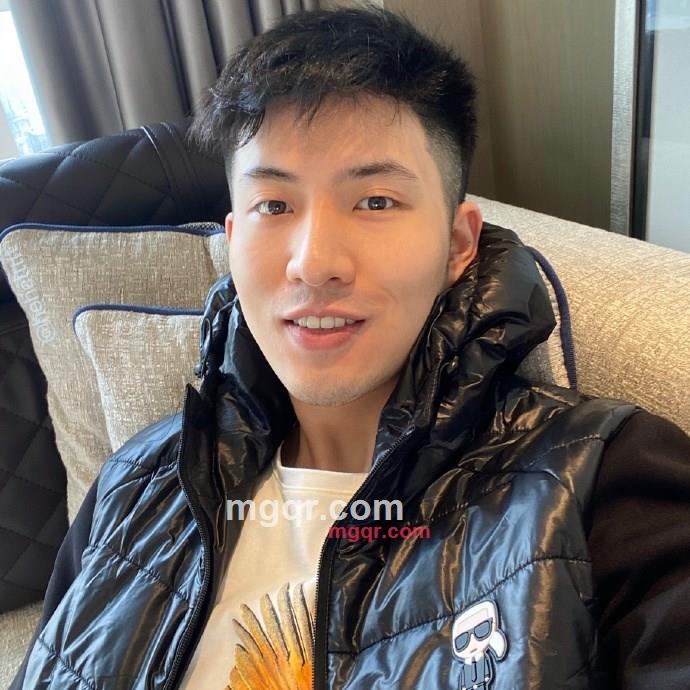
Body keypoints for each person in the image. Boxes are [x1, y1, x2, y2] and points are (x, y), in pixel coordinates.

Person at [11, 5, 690, 689]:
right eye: (274, 206)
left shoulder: (603, 477)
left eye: (375, 202)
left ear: (457, 243)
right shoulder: (132, 483)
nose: (314, 264)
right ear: (232, 239)